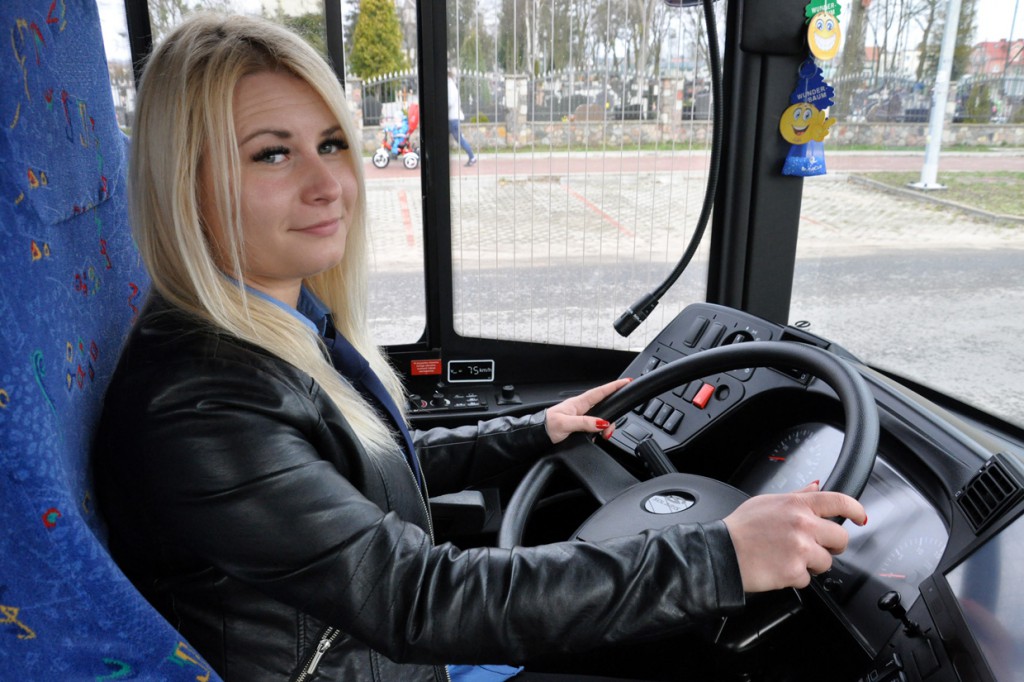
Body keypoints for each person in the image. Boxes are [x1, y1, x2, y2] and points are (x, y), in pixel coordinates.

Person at [93, 12, 867, 682]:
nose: (328, 184)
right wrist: (718, 559)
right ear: (182, 184)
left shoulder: (279, 327)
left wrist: (532, 432)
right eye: (272, 153)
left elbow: (358, 471)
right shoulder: (199, 400)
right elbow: (413, 597)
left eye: (330, 144)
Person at [448, 70, 477, 166]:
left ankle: (472, 156)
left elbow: (450, 102)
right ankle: (472, 156)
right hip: (452, 118)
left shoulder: (450, 86)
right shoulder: (451, 86)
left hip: (452, 118)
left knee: (459, 139)